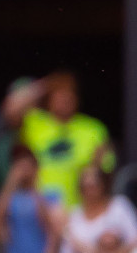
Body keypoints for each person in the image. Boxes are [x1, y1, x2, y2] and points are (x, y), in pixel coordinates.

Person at [11, 72, 115, 212]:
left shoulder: (93, 129)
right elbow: (11, 110)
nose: (65, 100)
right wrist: (45, 85)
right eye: (59, 95)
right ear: (50, 99)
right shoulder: (35, 124)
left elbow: (107, 168)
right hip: (40, 211)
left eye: (69, 95)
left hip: (79, 212)